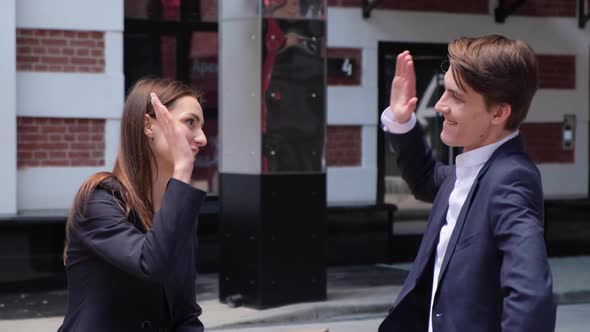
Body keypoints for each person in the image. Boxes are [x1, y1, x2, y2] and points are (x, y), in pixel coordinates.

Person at [378, 35, 556, 332]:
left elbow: (532, 296)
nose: (439, 105)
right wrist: (401, 120)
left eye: (456, 97)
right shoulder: (468, 170)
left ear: (498, 112)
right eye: (444, 90)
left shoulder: (510, 179)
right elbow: (425, 179)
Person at [58, 78, 208, 331]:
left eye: (202, 126)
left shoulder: (177, 210)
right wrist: (182, 170)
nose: (202, 138)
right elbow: (151, 263)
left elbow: (185, 313)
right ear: (149, 125)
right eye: (190, 122)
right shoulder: (99, 200)